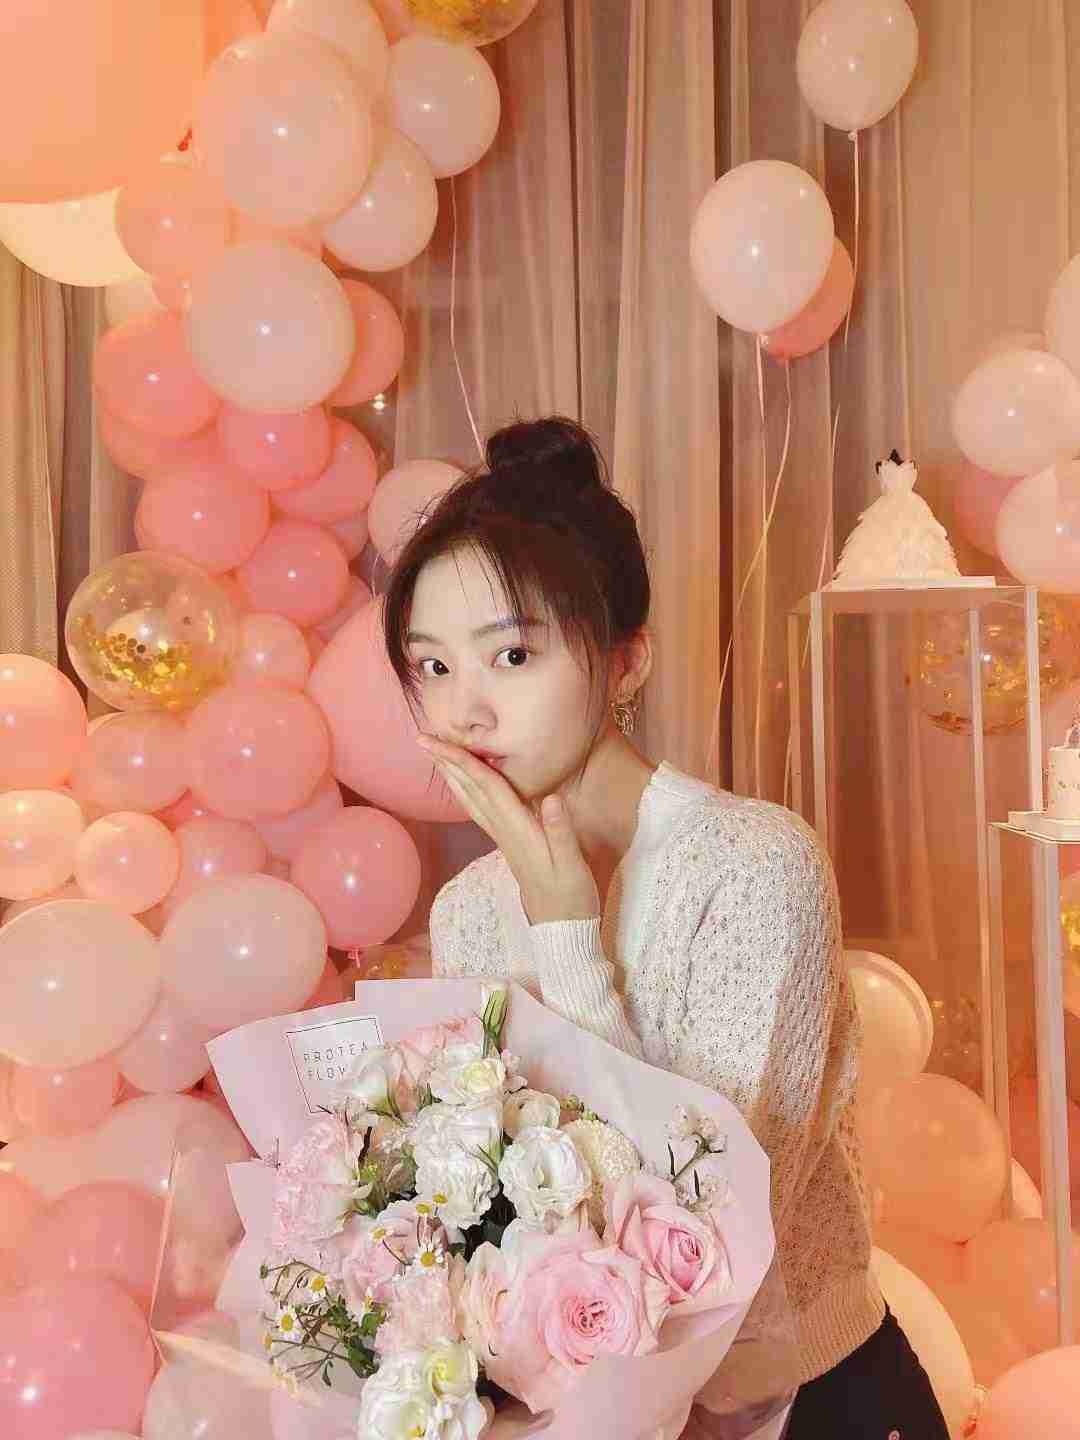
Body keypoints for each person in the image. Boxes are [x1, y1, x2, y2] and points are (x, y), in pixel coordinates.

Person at [381, 416, 950, 1440]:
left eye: (511, 654)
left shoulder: (755, 863)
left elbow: (713, 1213)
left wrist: (566, 929)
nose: (465, 712)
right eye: (432, 668)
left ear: (627, 660)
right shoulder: (466, 910)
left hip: (807, 1398)